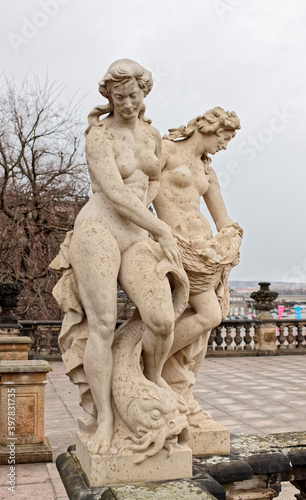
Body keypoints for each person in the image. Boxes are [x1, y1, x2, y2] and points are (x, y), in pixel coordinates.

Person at [51, 59, 184, 455]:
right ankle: (106, 418)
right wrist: (160, 228)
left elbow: (154, 177)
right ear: (108, 97)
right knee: (104, 325)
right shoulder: (99, 136)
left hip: (136, 233)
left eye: (133, 94)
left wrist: (153, 220)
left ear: (145, 92)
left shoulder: (152, 135)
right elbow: (115, 193)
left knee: (161, 317)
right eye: (119, 96)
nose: (127, 102)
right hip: (99, 230)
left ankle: (153, 377)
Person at [153, 107, 243, 423]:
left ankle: (181, 389)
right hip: (175, 246)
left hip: (205, 252)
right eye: (225, 137)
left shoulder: (207, 171)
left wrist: (232, 238)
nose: (224, 145)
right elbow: (140, 196)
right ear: (209, 127)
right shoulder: (164, 149)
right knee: (209, 314)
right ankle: (146, 365)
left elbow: (222, 218)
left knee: (203, 321)